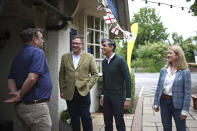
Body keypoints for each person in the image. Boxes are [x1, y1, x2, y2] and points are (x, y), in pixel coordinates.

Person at [4, 28, 53, 131]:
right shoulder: (38, 53)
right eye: (41, 38)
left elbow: (11, 79)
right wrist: (19, 94)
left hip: (21, 107)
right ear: (34, 39)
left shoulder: (17, 57)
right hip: (35, 107)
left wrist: (15, 94)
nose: (43, 41)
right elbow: (31, 78)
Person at [59, 35, 98, 131]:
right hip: (69, 92)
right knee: (74, 117)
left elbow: (95, 74)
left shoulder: (89, 57)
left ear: (82, 45)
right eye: (73, 43)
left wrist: (88, 86)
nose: (74, 45)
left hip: (83, 91)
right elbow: (61, 75)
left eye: (77, 43)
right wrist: (62, 90)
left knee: (86, 117)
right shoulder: (65, 57)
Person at [154, 45, 191, 131]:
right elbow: (159, 87)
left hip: (178, 104)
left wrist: (185, 110)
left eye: (170, 53)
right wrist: (156, 103)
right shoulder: (163, 70)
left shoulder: (185, 72)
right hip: (164, 102)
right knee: (166, 128)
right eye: (167, 53)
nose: (168, 55)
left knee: (181, 128)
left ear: (178, 55)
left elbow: (187, 93)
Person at [100, 39, 132, 131]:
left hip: (118, 98)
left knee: (119, 123)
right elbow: (105, 80)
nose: (102, 47)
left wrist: (128, 98)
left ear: (112, 47)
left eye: (104, 45)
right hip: (107, 98)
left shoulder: (120, 61)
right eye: (102, 45)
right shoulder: (104, 62)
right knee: (107, 123)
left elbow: (128, 80)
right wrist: (102, 94)